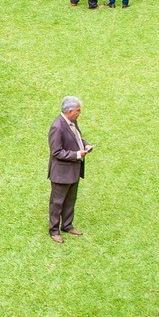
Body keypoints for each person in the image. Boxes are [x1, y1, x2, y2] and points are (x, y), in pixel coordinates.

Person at [48, 96, 91, 242]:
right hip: (61, 173)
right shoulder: (57, 127)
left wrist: (84, 145)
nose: (79, 112)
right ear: (70, 111)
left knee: (70, 200)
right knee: (57, 202)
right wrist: (77, 154)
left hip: (73, 170)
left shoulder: (72, 122)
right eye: (78, 110)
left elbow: (77, 138)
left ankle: (67, 225)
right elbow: (56, 152)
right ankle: (54, 230)